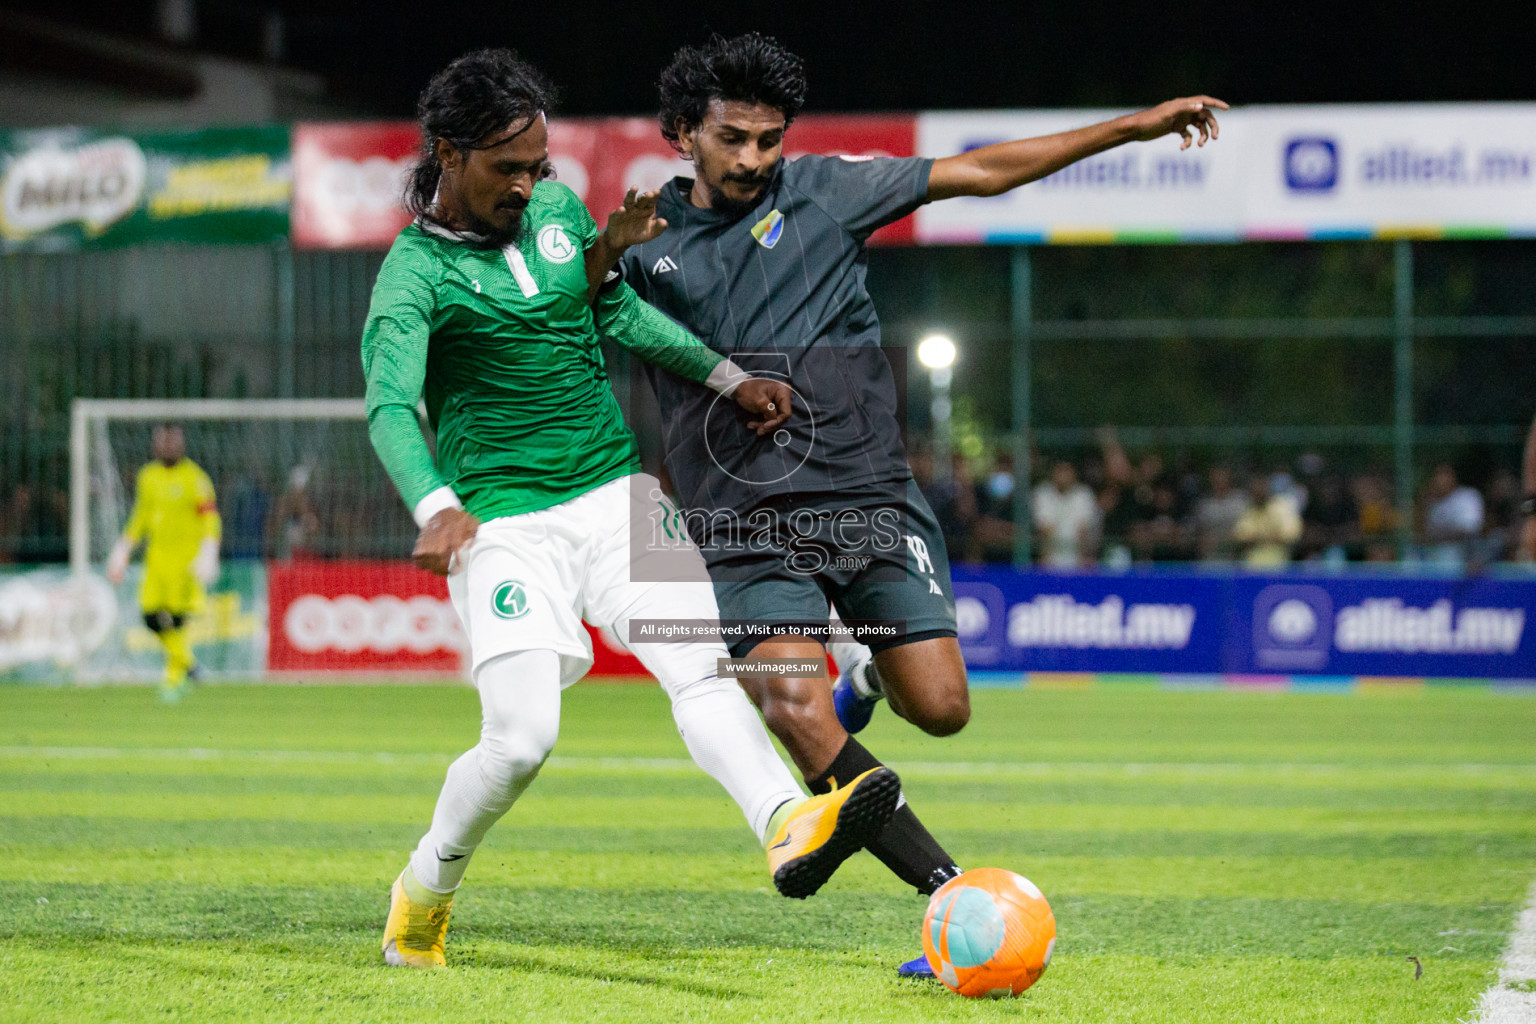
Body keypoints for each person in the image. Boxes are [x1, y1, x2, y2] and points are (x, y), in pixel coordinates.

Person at [590, 31, 1225, 976]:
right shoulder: (641, 242)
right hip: (740, 520)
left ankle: (870, 682)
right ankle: (952, 897)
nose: (755, 158)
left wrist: (1133, 127)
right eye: (734, 138)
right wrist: (606, 252)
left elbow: (981, 172)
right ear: (684, 132)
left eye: (770, 139)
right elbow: (569, 306)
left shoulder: (828, 192)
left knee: (943, 708)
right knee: (792, 707)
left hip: (866, 494)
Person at [364, 50, 901, 970]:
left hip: (621, 497)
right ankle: (425, 885)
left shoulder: (561, 214)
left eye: (540, 165)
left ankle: (785, 824)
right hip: (504, 528)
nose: (532, 185)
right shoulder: (414, 276)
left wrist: (730, 379)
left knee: (701, 668)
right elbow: (387, 400)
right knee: (523, 738)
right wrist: (435, 502)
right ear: (449, 155)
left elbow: (617, 316)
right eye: (510, 168)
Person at [105, 424, 220, 702]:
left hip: (185, 563)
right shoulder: (147, 477)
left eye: (173, 442)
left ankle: (174, 679)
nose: (168, 447)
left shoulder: (195, 478)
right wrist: (122, 550)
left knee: (177, 620)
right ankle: (189, 666)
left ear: (181, 445)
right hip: (156, 562)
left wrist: (209, 551)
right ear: (155, 445)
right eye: (163, 442)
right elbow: (140, 518)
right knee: (151, 617)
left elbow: (210, 518)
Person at [1033, 460, 1099, 568]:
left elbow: (1083, 530)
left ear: (1073, 473)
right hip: (1051, 557)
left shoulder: (1084, 494)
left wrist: (1083, 558)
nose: (1063, 475)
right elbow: (1045, 530)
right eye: (1060, 471)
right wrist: (1045, 558)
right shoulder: (1042, 493)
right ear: (1053, 473)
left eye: (1067, 471)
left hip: (1077, 556)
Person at [1419, 462, 1484, 569]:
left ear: (1453, 477)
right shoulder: (1432, 502)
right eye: (1437, 476)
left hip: (1463, 554)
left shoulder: (1467, 496)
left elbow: (1471, 531)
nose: (1440, 480)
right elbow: (1423, 535)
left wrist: (1438, 535)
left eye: (1444, 475)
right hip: (1434, 556)